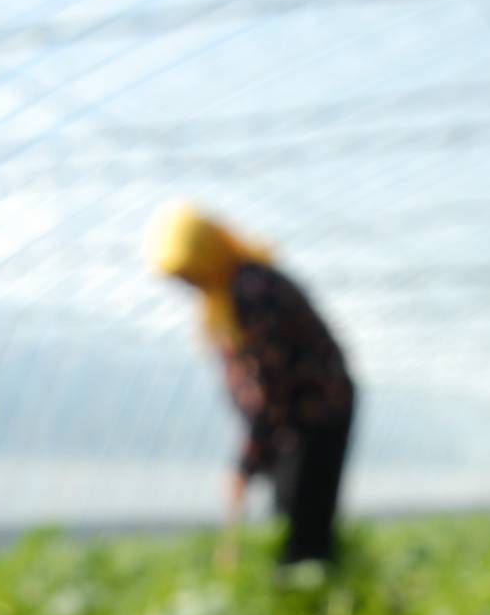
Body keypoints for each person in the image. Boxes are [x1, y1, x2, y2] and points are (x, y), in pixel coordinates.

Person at [147, 204, 358, 571]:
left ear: (206, 256)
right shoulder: (228, 296)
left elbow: (269, 386)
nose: (189, 286)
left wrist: (246, 462)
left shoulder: (252, 290)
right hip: (296, 423)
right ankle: (309, 592)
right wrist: (253, 456)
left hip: (316, 416)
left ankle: (313, 600)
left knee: (302, 526)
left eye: (189, 274)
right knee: (293, 519)